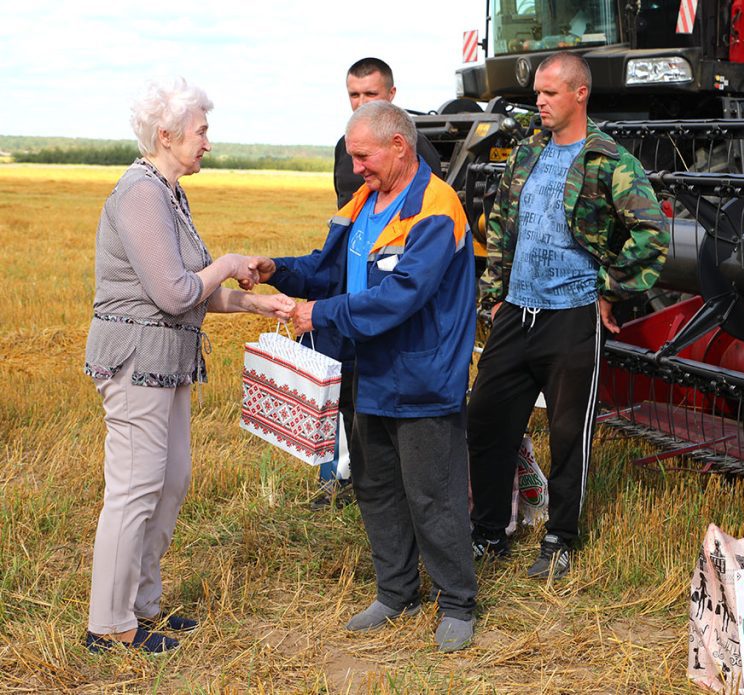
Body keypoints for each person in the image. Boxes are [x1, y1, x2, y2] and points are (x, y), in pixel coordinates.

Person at [250, 100, 478, 652]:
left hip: (419, 378)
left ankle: (457, 602)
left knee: (433, 494)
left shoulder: (435, 209)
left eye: (363, 156)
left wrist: (320, 315)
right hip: (363, 371)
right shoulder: (363, 202)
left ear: (399, 145)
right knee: (375, 487)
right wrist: (278, 270)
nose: (356, 168)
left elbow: (402, 296)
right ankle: (396, 591)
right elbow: (329, 270)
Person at [84, 77, 294, 654]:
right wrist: (226, 262)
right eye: (201, 131)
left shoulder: (169, 193)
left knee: (169, 483)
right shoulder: (139, 194)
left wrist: (257, 302)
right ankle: (109, 624)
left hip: (169, 362)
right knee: (133, 491)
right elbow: (177, 293)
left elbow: (194, 291)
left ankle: (142, 608)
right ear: (167, 134)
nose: (208, 141)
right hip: (135, 361)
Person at [467, 52, 668, 580]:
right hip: (519, 312)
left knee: (567, 434)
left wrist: (610, 289)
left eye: (551, 93)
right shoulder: (527, 154)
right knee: (487, 419)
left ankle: (560, 538)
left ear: (580, 94)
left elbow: (652, 235)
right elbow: (504, 228)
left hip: (573, 317)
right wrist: (495, 296)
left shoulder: (609, 160)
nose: (539, 101)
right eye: (538, 92)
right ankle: (488, 533)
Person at [311, 56, 445, 510]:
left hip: (389, 295)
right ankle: (349, 475)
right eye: (353, 94)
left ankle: (387, 484)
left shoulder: (417, 151)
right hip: (353, 289)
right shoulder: (341, 148)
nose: (360, 102)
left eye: (370, 94)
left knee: (385, 399)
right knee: (348, 388)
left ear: (391, 96)